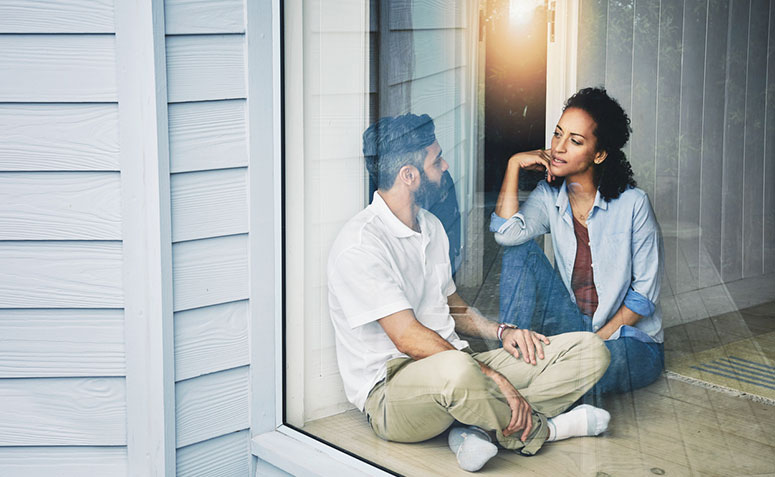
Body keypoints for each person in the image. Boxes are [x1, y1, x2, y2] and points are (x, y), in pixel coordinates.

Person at [328, 113, 611, 472]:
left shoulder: (430, 226)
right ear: (409, 176)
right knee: (460, 372)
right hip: (392, 391)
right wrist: (491, 376)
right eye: (436, 160)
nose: (445, 166)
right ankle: (546, 430)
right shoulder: (361, 245)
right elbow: (407, 339)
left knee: (591, 351)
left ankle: (474, 427)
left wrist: (503, 332)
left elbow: (453, 308)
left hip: (458, 364)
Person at [491, 87, 664, 398]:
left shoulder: (633, 204)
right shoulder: (549, 197)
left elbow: (644, 295)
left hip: (626, 340)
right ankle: (512, 349)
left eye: (575, 141)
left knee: (590, 371)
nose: (558, 147)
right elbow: (506, 235)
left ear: (599, 154)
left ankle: (522, 405)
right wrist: (514, 164)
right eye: (558, 134)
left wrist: (593, 343)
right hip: (572, 325)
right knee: (519, 250)